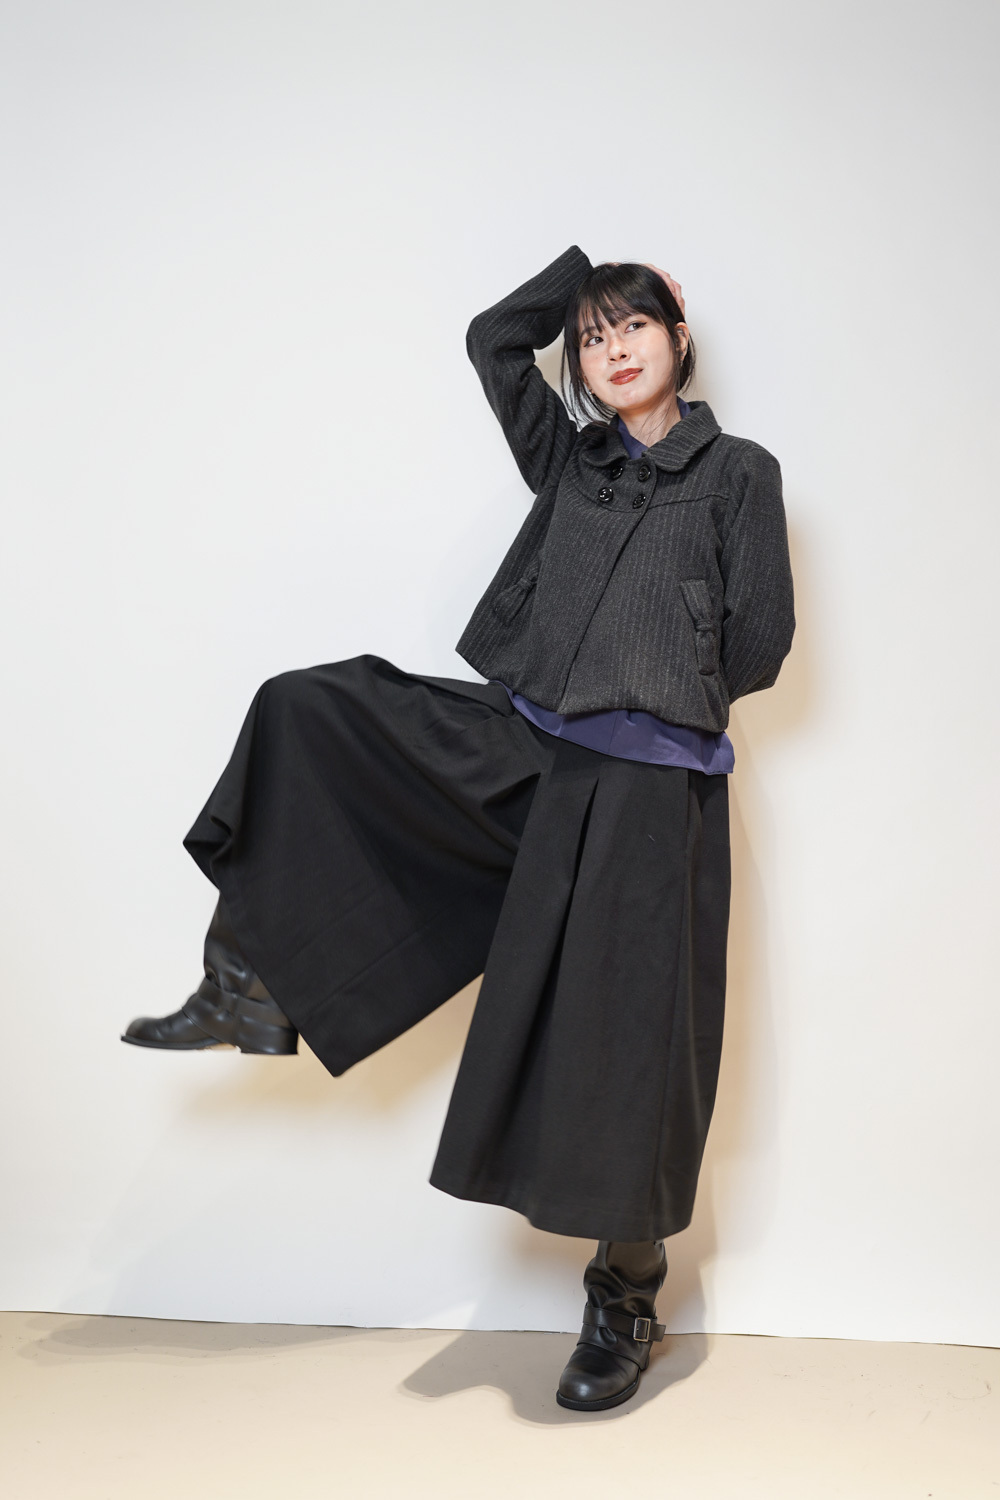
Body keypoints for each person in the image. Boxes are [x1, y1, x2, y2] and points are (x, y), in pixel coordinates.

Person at [122, 246, 795, 1412]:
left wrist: (654, 690)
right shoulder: (572, 460)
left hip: (648, 786)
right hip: (523, 745)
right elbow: (494, 339)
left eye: (633, 325)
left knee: (627, 1048)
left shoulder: (739, 472)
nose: (611, 348)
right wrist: (578, 278)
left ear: (677, 338)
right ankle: (249, 982)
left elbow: (760, 641)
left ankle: (624, 1298)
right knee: (312, 710)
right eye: (592, 336)